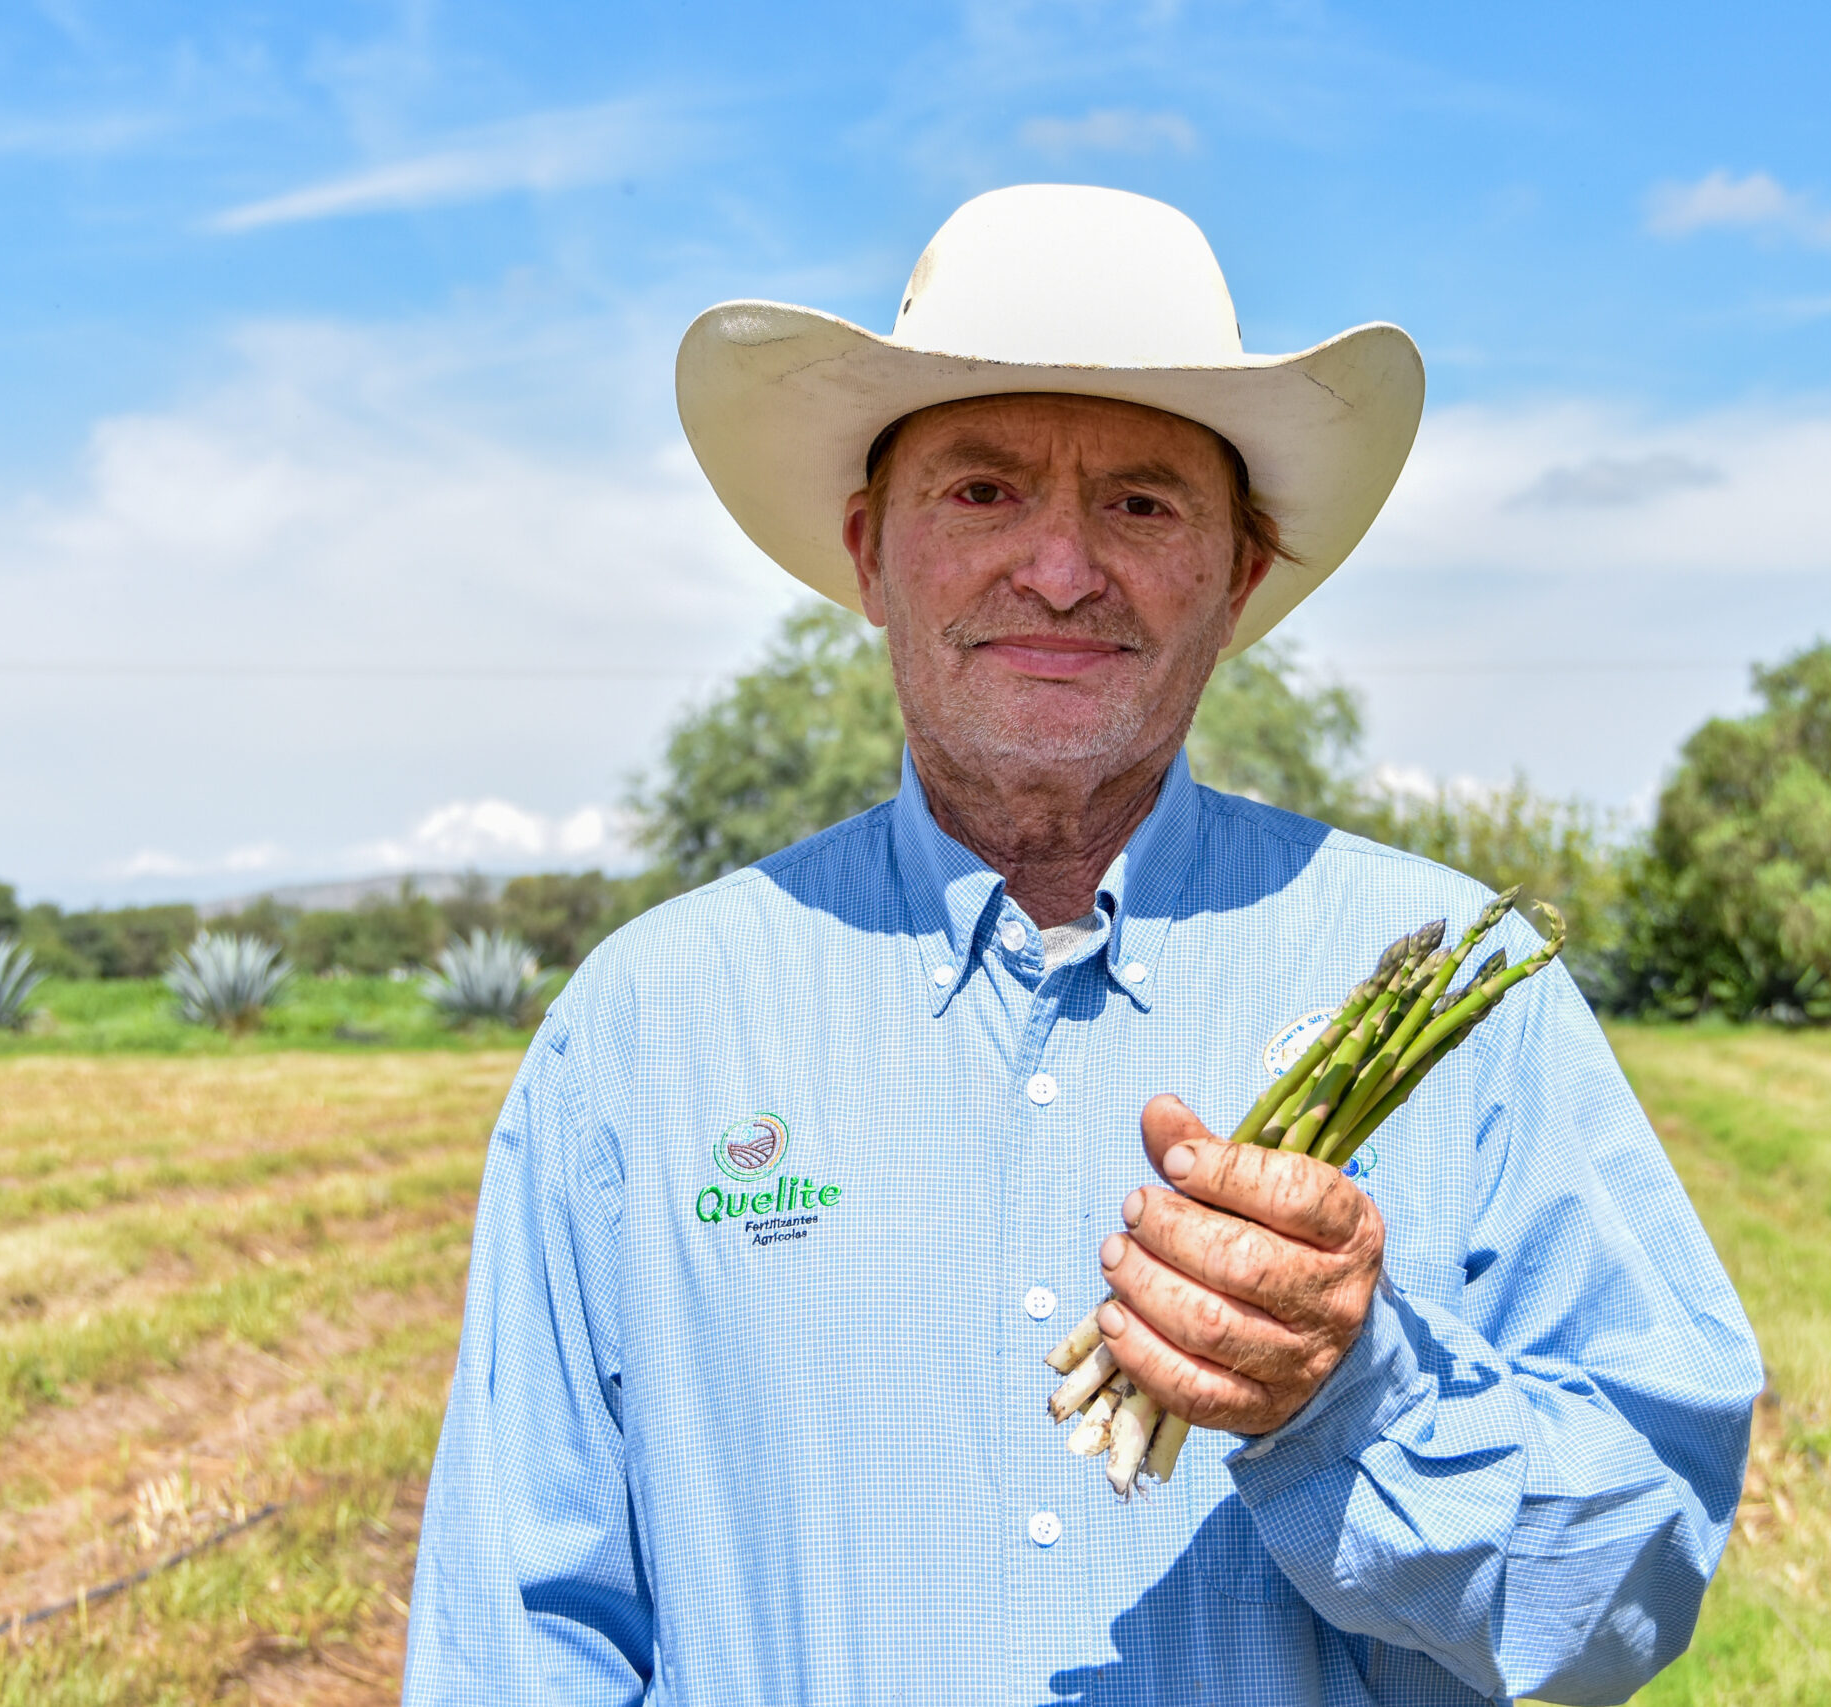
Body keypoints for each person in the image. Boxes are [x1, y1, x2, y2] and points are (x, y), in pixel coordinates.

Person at [404, 184, 1761, 1706]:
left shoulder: (1460, 1000)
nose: (1058, 569)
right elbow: (520, 1635)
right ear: (869, 557)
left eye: (1141, 504)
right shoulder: (647, 1023)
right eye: (983, 492)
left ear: (1239, 579)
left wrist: (1351, 1397)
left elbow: (1633, 1589)